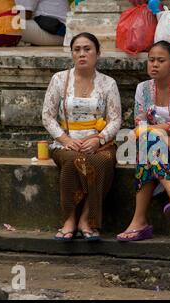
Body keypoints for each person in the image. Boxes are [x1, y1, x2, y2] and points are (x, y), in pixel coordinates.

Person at [42, 32, 122, 241]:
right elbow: (47, 116)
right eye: (77, 50)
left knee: (101, 162)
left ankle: (86, 218)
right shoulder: (59, 80)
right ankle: (69, 218)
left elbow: (115, 119)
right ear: (71, 54)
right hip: (66, 143)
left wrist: (99, 139)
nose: (82, 54)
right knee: (73, 161)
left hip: (99, 144)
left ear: (97, 53)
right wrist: (66, 140)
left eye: (87, 49)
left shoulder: (108, 83)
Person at [116, 40, 170, 242]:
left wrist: (152, 132)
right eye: (151, 60)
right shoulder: (142, 88)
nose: (154, 64)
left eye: (161, 60)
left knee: (147, 141)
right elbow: (138, 122)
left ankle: (139, 221)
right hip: (154, 148)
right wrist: (156, 135)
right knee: (149, 144)